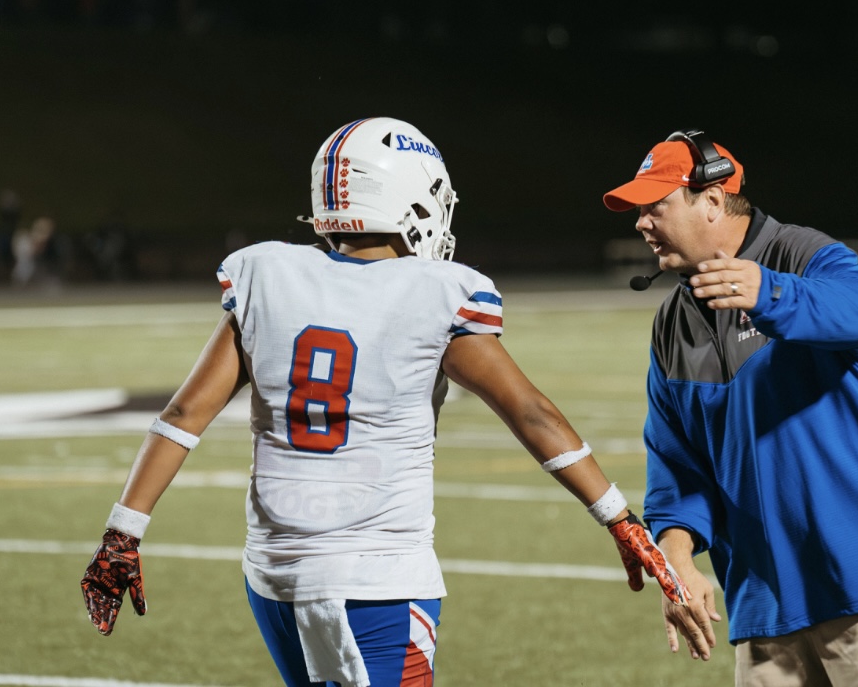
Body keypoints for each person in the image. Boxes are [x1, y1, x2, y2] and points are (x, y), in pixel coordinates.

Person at [81, 117, 687, 687]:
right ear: (412, 201)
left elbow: (183, 417)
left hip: (274, 575)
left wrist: (121, 535)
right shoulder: (436, 292)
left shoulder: (267, 275)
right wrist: (619, 517)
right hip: (379, 576)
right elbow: (532, 413)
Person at [601, 129, 858, 686]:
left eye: (655, 205)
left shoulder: (801, 256)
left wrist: (770, 292)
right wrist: (676, 559)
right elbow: (677, 471)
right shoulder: (672, 324)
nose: (640, 222)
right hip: (768, 606)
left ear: (711, 199)